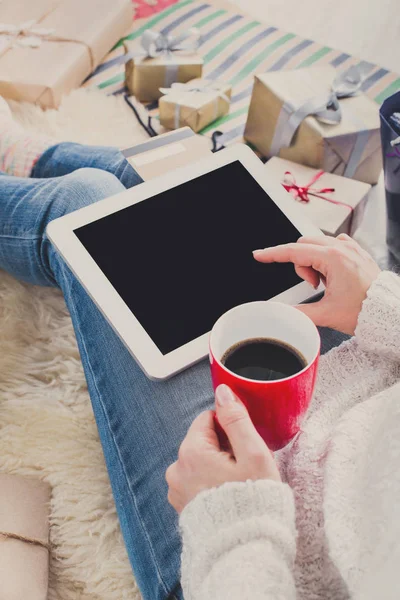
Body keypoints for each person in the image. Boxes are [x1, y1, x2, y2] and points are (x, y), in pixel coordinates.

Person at [0, 96, 398, 600]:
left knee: (85, 203)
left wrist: (230, 516)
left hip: (240, 548)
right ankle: (24, 156)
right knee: (176, 179)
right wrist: (381, 303)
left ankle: (25, 161)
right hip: (365, 369)